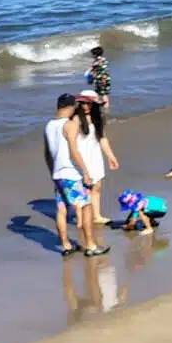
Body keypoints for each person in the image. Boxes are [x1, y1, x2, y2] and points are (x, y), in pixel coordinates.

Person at [44, 93, 102, 257]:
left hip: (57, 174)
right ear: (70, 107)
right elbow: (73, 150)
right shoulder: (69, 125)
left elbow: (47, 154)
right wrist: (85, 171)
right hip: (71, 173)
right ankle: (90, 245)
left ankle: (66, 245)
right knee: (85, 206)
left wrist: (52, 173)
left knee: (61, 209)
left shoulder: (49, 125)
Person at [74, 91, 119, 222]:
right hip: (81, 155)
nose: (85, 106)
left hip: (95, 155)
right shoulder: (75, 119)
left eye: (88, 103)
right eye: (83, 103)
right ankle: (80, 218)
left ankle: (96, 216)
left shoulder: (98, 118)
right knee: (82, 188)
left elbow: (102, 139)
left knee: (97, 186)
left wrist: (111, 156)